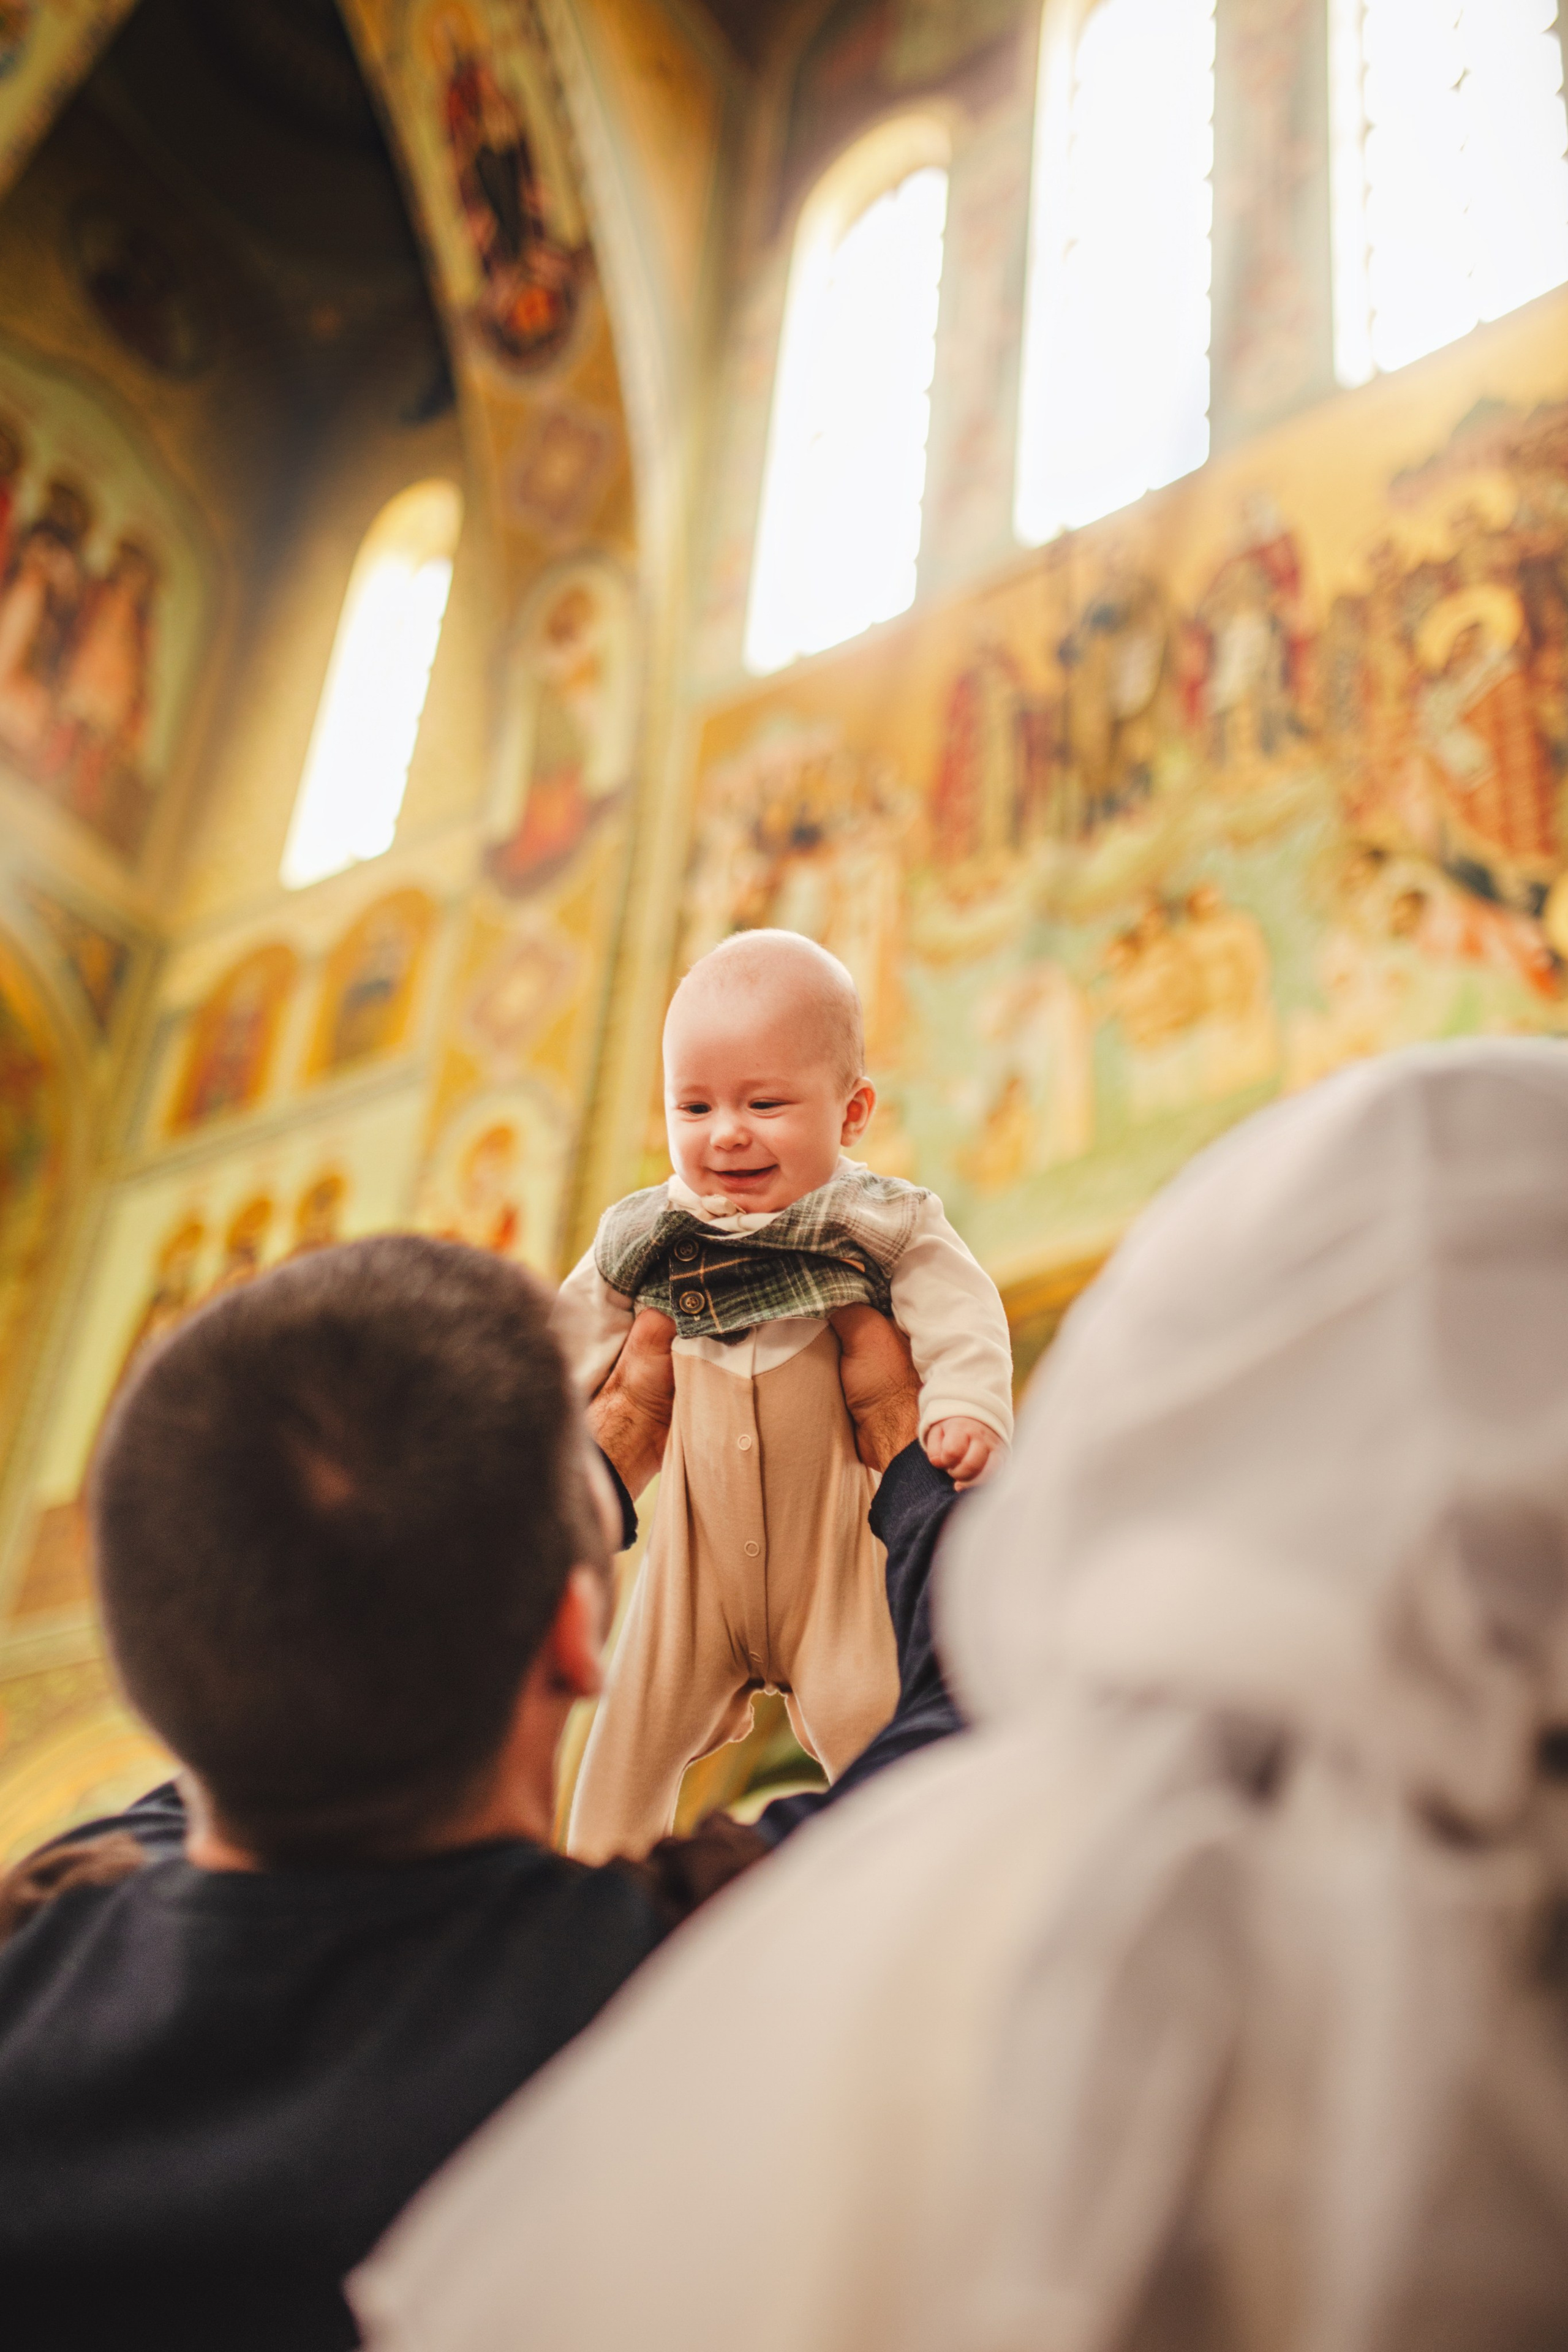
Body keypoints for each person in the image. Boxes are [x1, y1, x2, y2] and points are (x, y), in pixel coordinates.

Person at [355, 1040, 1568, 2352]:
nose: (727, 1132)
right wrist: (914, 1474)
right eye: (700, 1103)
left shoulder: (914, 1920)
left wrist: (595, 1492)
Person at [0, 1235, 961, 2352]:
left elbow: (269, 1670)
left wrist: (575, 1497)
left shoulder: (35, 1951)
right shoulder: (658, 1997)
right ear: (575, 1634)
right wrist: (904, 1441)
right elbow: (974, 1728)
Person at [557, 928, 1013, 1860]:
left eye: (765, 1103)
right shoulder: (649, 1230)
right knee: (618, 1754)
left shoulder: (882, 1218)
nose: (726, 1133)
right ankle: (593, 1918)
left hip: (833, 1562)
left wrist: (964, 1406)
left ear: (851, 1113)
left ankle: (902, 1900)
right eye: (694, 1106)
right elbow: (567, 1338)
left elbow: (957, 1308)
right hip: (692, 1567)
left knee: (882, 1740)